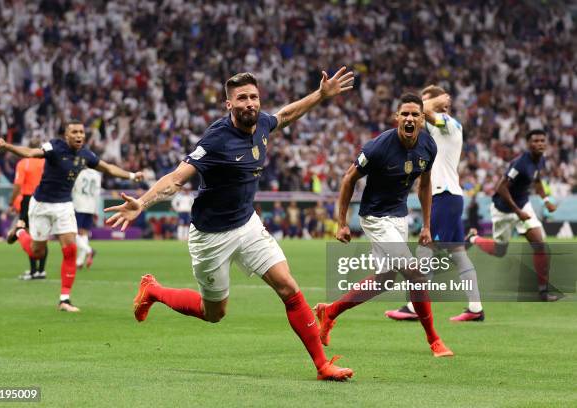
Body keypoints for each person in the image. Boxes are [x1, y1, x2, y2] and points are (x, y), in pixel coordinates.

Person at [105, 69, 355, 381]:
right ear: (228, 105)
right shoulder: (216, 140)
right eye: (242, 98)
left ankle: (322, 366)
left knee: (288, 287)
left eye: (253, 97)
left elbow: (286, 115)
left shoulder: (262, 122)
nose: (250, 103)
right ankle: (153, 291)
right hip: (211, 236)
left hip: (246, 223)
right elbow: (176, 179)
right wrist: (141, 203)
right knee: (215, 313)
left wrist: (320, 95)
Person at [314, 93, 454, 357]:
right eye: (405, 114)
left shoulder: (428, 146)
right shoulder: (378, 147)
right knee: (415, 273)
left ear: (423, 119)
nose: (410, 118)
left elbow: (425, 185)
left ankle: (329, 312)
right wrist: (341, 223)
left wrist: (426, 226)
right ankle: (434, 340)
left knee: (384, 279)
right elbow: (348, 180)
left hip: (399, 216)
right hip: (376, 217)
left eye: (415, 114)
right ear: (397, 117)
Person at [0, 121, 143, 312]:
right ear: (66, 135)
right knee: (37, 252)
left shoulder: (85, 155)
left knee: (70, 250)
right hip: (41, 204)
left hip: (64, 206)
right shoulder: (54, 147)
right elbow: (31, 153)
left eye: (81, 132)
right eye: (74, 132)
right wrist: (7, 146)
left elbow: (108, 168)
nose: (79, 135)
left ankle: (64, 299)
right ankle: (21, 232)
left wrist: (132, 176)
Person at [385, 85, 484, 322]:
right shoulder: (434, 131)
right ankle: (476, 308)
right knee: (459, 256)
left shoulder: (448, 124)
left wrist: (435, 102)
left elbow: (422, 110)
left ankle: (413, 306)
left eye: (425, 104)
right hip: (449, 196)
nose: (417, 115)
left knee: (424, 248)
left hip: (445, 195)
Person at [466, 129, 558, 301]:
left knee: (540, 245)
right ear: (528, 144)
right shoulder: (520, 163)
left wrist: (546, 200)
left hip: (523, 206)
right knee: (500, 251)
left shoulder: (541, 160)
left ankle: (543, 292)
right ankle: (473, 238)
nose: (539, 144)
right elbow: (501, 187)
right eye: (535, 141)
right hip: (504, 210)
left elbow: (537, 181)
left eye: (542, 141)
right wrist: (517, 212)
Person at [10, 140, 46, 279]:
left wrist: (11, 201)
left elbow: (18, 185)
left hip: (28, 199)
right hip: (43, 198)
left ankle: (32, 271)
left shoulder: (24, 163)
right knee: (42, 234)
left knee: (26, 233)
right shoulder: (45, 162)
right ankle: (41, 270)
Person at [72, 167, 102, 269]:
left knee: (73, 233)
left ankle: (89, 250)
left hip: (79, 205)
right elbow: (97, 194)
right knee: (84, 233)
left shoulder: (79, 172)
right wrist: (96, 210)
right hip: (91, 206)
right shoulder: (97, 175)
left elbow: (73, 188)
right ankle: (79, 261)